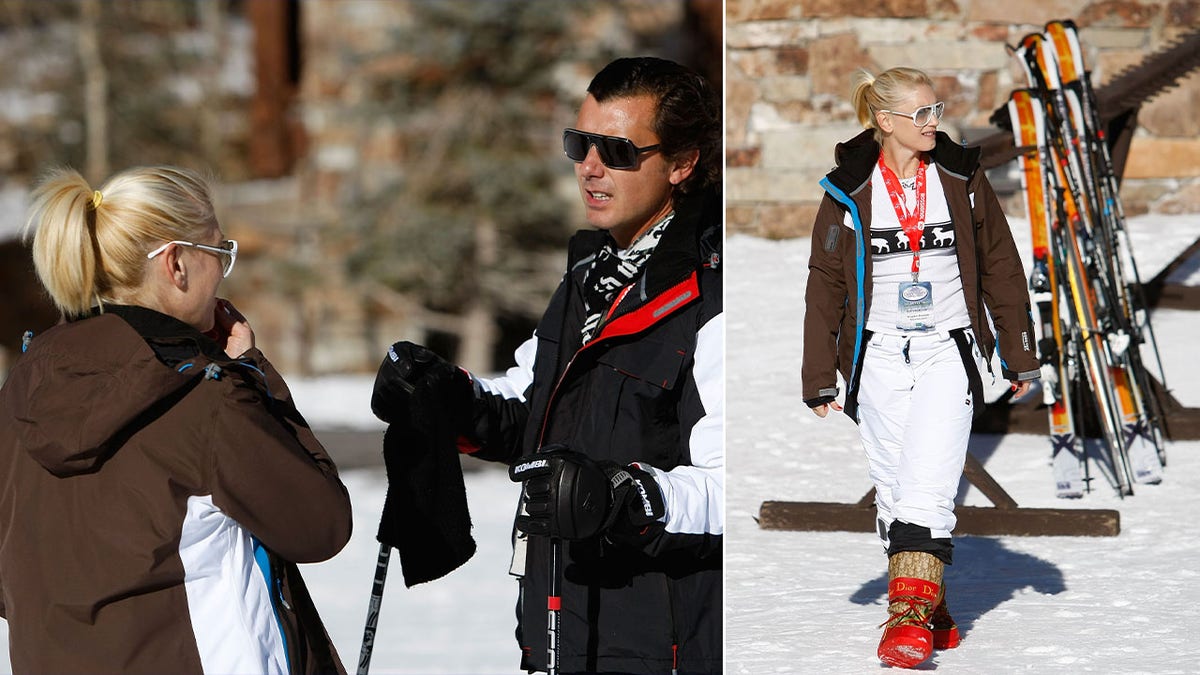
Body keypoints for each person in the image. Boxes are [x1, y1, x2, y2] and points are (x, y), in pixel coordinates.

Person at [371, 57, 722, 675]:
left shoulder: (715, 295)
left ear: (682, 163)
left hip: (664, 643)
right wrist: (446, 394)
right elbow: (533, 406)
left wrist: (622, 496)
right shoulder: (590, 276)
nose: (589, 166)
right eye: (580, 143)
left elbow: (736, 488)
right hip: (560, 624)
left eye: (616, 150)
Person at [0, 166, 352, 674]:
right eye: (219, 252)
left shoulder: (19, 393)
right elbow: (320, 525)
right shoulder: (201, 399)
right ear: (176, 263)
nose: (223, 271)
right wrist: (251, 377)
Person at [801, 67, 1040, 669]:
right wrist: (818, 373)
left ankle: (906, 621)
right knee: (893, 486)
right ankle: (931, 606)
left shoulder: (961, 177)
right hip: (876, 355)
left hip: (947, 349)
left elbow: (1001, 264)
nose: (935, 123)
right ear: (885, 123)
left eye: (937, 110)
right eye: (921, 114)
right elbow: (825, 283)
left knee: (929, 483)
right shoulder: (847, 189)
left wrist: (1016, 349)